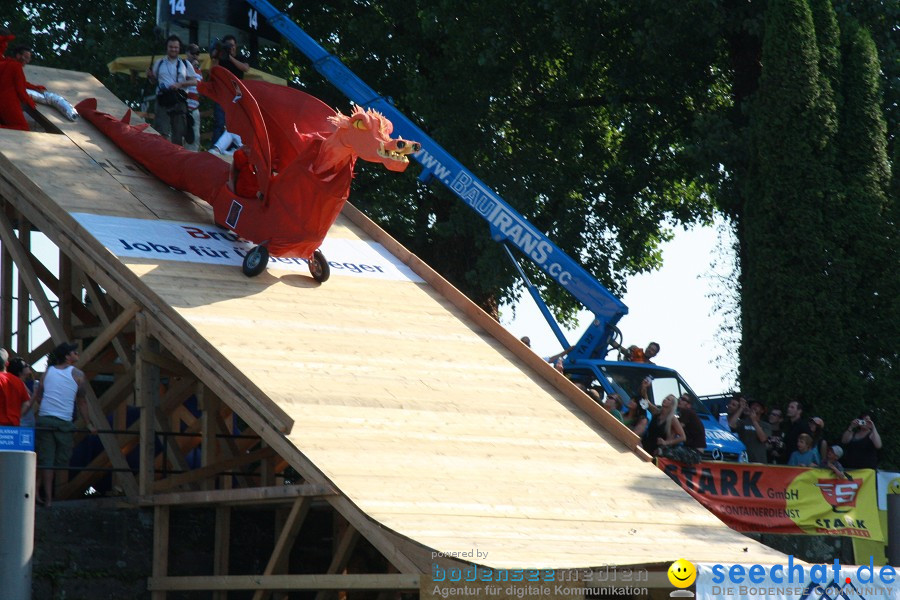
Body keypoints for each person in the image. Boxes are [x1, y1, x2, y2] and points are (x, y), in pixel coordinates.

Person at [33, 342, 96, 507]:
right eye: (74, 352)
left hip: (45, 418)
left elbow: (39, 396)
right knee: (57, 460)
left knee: (47, 459)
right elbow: (82, 402)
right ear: (67, 356)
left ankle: (38, 489)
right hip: (63, 422)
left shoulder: (48, 372)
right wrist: (88, 423)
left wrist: (49, 407)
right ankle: (48, 498)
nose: (77, 354)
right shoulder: (78, 374)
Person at [146, 35, 196, 145]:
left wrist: (180, 84)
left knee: (178, 133)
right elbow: (153, 81)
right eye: (171, 47)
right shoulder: (159, 63)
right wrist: (150, 76)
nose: (173, 49)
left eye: (176, 47)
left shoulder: (185, 64)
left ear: (179, 48)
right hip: (163, 99)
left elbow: (194, 81)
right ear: (167, 48)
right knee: (161, 131)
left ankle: (176, 159)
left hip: (179, 99)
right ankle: (161, 156)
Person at [210, 34, 249, 146]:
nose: (230, 47)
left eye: (232, 45)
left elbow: (245, 68)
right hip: (222, 94)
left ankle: (234, 149)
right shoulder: (221, 59)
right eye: (228, 46)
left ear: (236, 46)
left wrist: (230, 57)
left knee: (236, 124)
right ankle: (215, 150)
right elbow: (212, 70)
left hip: (237, 96)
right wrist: (217, 54)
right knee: (220, 123)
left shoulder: (240, 57)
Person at [0, 31, 37, 131]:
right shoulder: (16, 66)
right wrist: (30, 102)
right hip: (8, 102)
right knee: (23, 128)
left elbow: (21, 82)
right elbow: (20, 89)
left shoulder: (4, 62)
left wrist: (35, 87)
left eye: (28, 58)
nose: (27, 61)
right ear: (18, 55)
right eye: (25, 57)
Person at [732, 397, 771, 464]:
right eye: (753, 405)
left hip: (759, 461)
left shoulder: (766, 425)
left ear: (762, 410)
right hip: (743, 460)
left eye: (757, 406)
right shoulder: (743, 422)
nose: (754, 407)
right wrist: (741, 408)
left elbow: (763, 439)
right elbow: (731, 425)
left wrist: (754, 421)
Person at [0, 348, 33, 425]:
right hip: (13, 427)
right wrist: (17, 416)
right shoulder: (18, 381)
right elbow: (27, 403)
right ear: (7, 363)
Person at [675, 394, 706, 464]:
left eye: (683, 399)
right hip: (693, 451)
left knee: (664, 452)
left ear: (689, 405)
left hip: (694, 453)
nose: (680, 400)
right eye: (680, 398)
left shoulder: (687, 412)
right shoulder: (684, 414)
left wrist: (666, 442)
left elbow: (676, 430)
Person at [183, 44, 203, 151]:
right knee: (179, 139)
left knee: (194, 141)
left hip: (194, 110)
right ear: (187, 53)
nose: (195, 55)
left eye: (197, 53)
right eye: (192, 52)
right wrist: (190, 66)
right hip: (182, 109)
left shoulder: (199, 71)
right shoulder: (181, 65)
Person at [780, 400, 811, 464]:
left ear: (799, 411)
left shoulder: (803, 425)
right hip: (784, 459)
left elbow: (808, 443)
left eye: (792, 407)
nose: (789, 409)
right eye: (788, 407)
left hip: (797, 461)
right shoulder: (785, 424)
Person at [7, 356, 36, 427]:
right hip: (21, 422)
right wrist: (35, 394)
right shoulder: (17, 385)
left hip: (25, 421)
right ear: (19, 372)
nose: (28, 366)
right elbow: (27, 404)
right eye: (25, 366)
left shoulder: (28, 383)